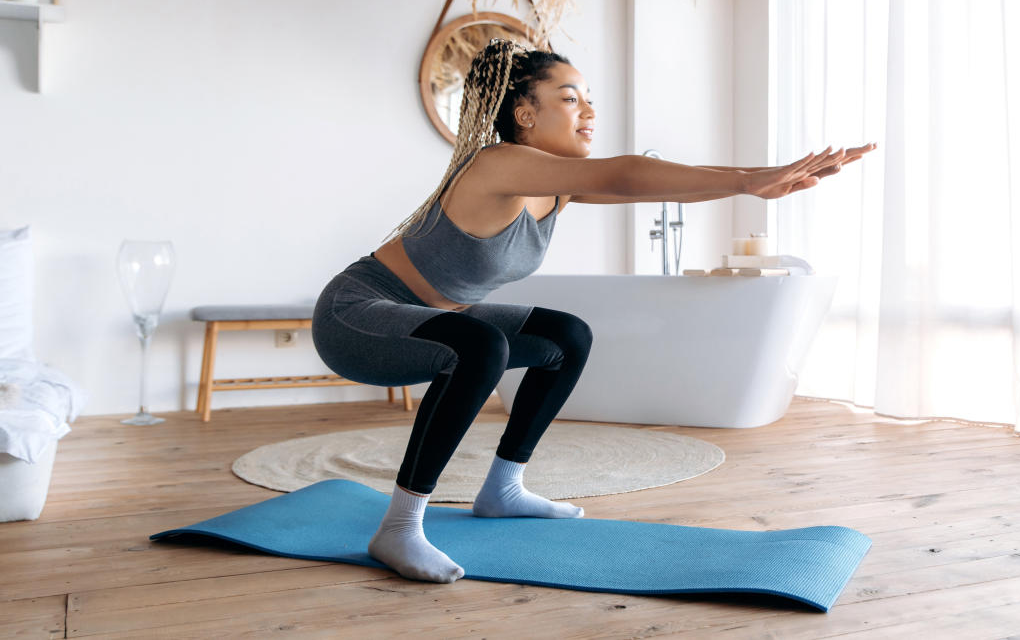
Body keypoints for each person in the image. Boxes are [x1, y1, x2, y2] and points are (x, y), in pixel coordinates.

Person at [310, 37, 876, 584]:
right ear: (524, 113)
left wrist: (755, 187)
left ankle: (503, 489)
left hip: (438, 322)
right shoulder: (498, 163)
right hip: (357, 315)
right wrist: (751, 178)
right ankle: (400, 526)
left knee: (565, 336)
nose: (589, 111)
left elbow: (644, 188)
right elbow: (623, 171)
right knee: (481, 344)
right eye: (570, 98)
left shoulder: (557, 186)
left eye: (588, 98)